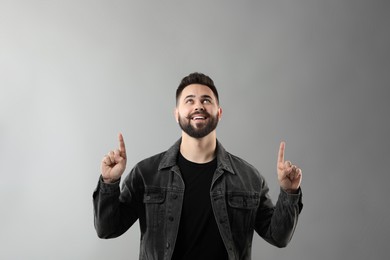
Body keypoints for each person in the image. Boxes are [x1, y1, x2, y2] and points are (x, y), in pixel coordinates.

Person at [93, 72, 303, 260]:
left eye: (206, 100)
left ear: (219, 113)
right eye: (189, 100)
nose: (198, 106)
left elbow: (278, 237)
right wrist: (110, 182)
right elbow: (107, 229)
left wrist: (289, 192)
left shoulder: (248, 178)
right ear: (177, 114)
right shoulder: (146, 174)